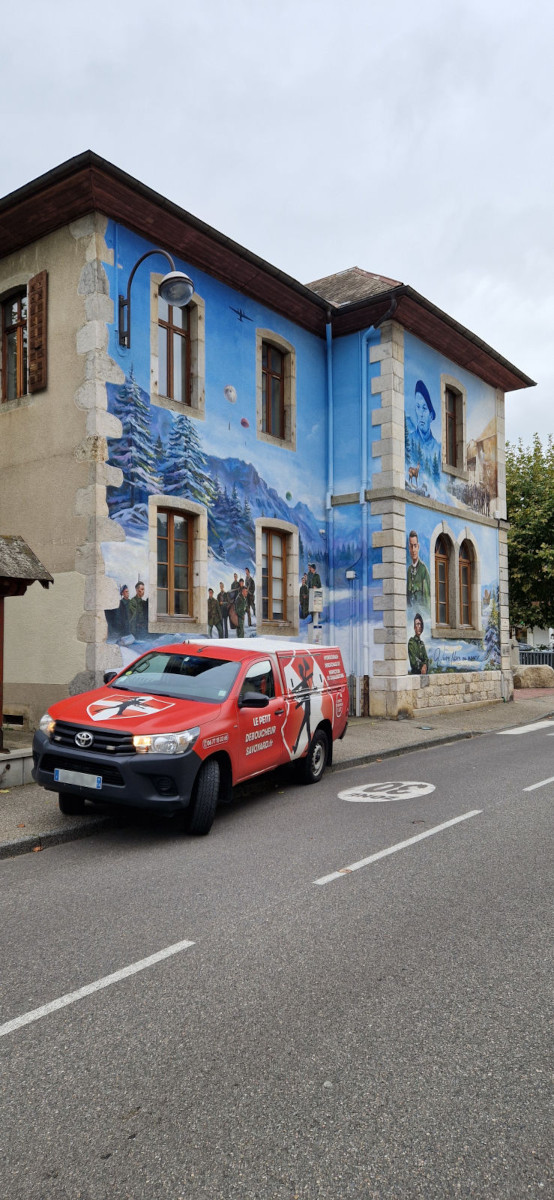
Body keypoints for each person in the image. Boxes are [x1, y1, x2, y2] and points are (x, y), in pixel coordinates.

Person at [406, 380, 441, 460]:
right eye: (418, 407)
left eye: (424, 408)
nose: (421, 414)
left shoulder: (437, 448)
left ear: (431, 416)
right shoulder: (408, 441)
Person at [406, 531, 431, 608]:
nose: (413, 550)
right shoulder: (409, 570)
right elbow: (408, 597)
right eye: (411, 546)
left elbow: (427, 598)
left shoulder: (423, 569)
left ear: (418, 547)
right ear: (409, 548)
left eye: (415, 546)